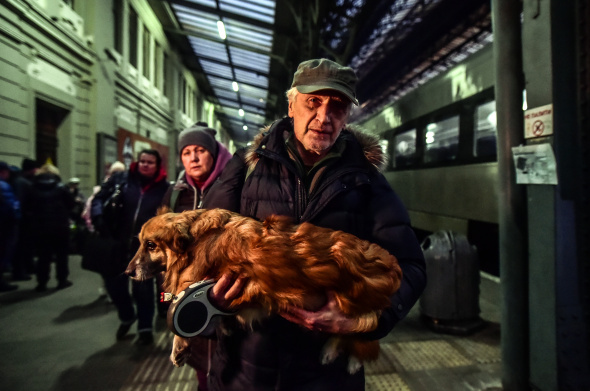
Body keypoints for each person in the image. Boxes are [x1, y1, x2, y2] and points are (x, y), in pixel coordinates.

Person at [201, 58, 427, 390]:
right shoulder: (245, 168)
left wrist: (364, 319)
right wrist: (210, 299)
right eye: (313, 102)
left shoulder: (368, 182)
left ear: (347, 115)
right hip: (247, 370)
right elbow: (202, 248)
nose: (324, 117)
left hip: (327, 374)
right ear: (291, 105)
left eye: (337, 106)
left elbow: (411, 266)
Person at [160, 122, 233, 391]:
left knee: (233, 363)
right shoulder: (176, 192)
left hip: (227, 290)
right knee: (202, 363)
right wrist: (166, 294)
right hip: (186, 293)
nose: (193, 157)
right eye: (186, 152)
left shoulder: (232, 186)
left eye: (200, 150)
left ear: (213, 153)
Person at [91, 149, 170, 345]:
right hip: (116, 243)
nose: (145, 164)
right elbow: (98, 199)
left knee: (142, 290)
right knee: (114, 286)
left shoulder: (164, 189)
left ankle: (145, 329)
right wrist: (98, 217)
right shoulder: (121, 180)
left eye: (150, 162)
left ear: (157, 166)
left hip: (143, 250)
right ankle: (127, 316)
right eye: (142, 161)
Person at [28, 163, 75, 292]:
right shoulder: (61, 187)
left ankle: (41, 282)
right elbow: (71, 204)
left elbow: (28, 206)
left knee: (43, 255)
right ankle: (62, 280)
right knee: (61, 255)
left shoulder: (32, 187)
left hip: (40, 226)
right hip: (60, 225)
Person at [11, 158, 41, 280]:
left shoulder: (22, 181)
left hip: (25, 219)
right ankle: (20, 271)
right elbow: (21, 202)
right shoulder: (22, 183)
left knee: (26, 245)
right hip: (24, 220)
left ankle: (28, 267)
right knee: (21, 246)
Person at [0, 161, 21, 291]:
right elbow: (11, 206)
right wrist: (17, 217)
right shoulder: (3, 186)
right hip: (5, 225)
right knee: (3, 252)